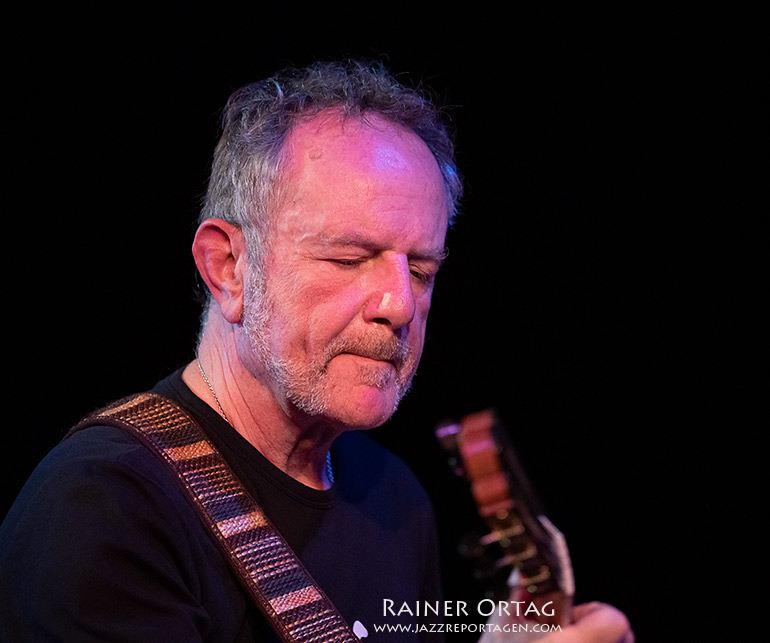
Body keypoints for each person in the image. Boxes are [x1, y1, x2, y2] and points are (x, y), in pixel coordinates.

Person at [0, 60, 633, 642]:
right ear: (228, 268)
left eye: (420, 269)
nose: (400, 305)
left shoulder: (392, 495)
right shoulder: (101, 509)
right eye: (350, 258)